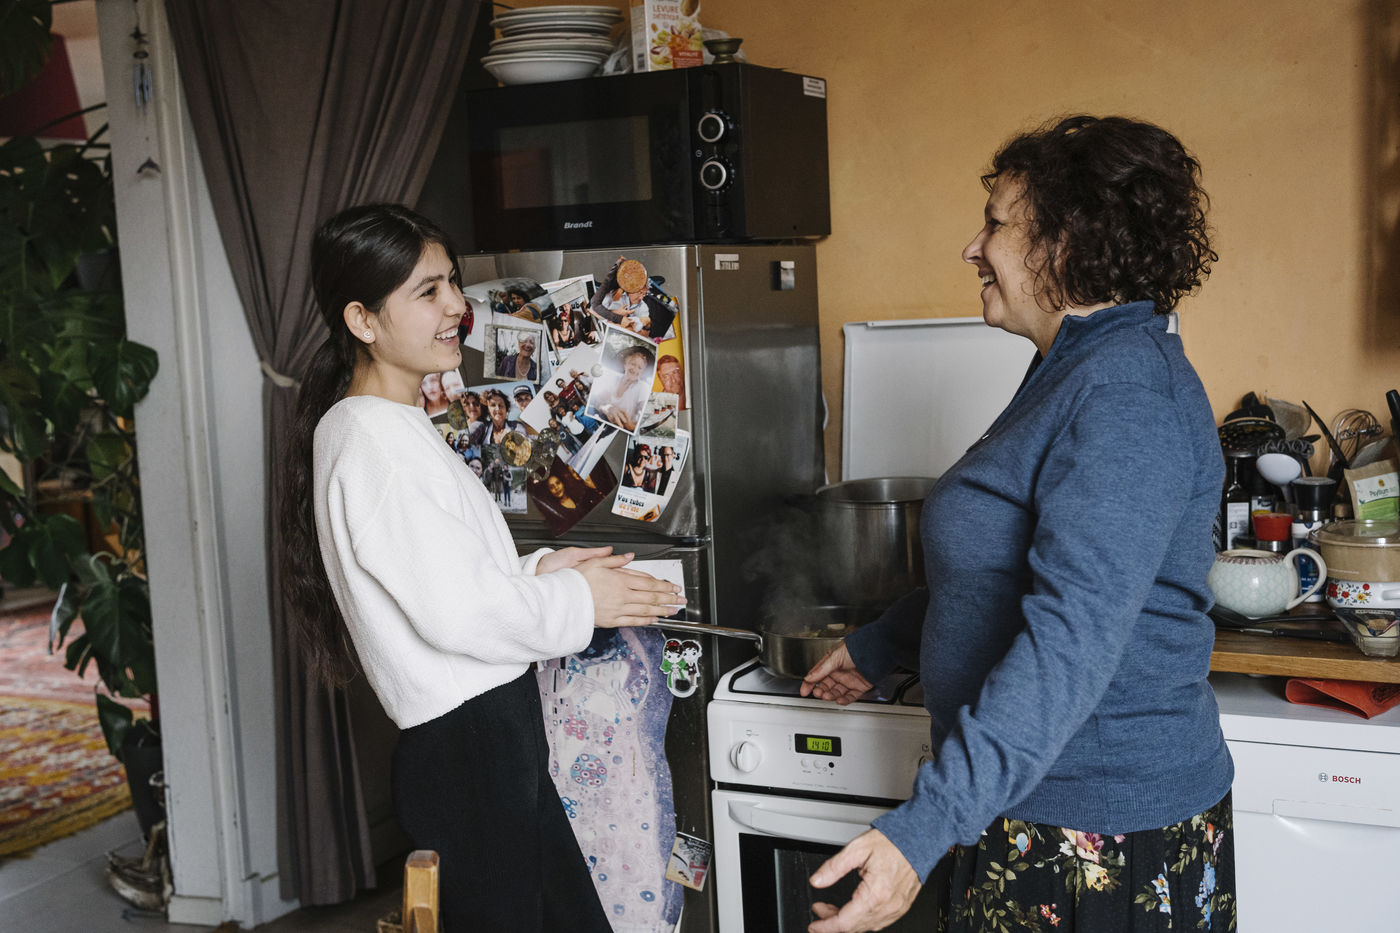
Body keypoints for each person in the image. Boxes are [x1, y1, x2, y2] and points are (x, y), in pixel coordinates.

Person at [801, 116, 1234, 933]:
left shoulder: (1125, 393)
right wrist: (882, 643)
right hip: (1032, 804)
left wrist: (925, 825)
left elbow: (1071, 637)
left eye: (996, 223)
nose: (973, 246)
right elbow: (1004, 572)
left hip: (1095, 835)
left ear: (1064, 242)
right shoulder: (1073, 367)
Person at [277, 203, 684, 933]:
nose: (457, 307)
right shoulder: (374, 441)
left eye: (454, 284)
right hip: (470, 748)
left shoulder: (388, 426)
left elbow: (443, 578)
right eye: (427, 291)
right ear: (363, 320)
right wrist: (579, 600)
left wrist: (542, 571)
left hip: (487, 738)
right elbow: (457, 614)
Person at [589, 344, 654, 432]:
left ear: (642, 372)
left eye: (640, 368)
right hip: (603, 422)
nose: (635, 369)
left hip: (621, 430)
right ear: (625, 364)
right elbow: (598, 400)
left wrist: (631, 426)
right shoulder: (614, 378)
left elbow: (647, 418)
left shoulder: (642, 387)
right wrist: (607, 407)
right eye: (633, 364)